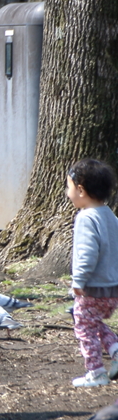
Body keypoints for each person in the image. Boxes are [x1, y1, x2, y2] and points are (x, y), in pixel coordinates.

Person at [65, 158, 118, 387]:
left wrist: (79, 281)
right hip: (112, 287)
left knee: (84, 326)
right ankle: (116, 350)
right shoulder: (110, 216)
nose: (67, 193)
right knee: (93, 322)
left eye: (68, 187)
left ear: (81, 190)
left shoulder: (86, 218)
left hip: (92, 288)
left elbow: (87, 254)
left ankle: (96, 372)